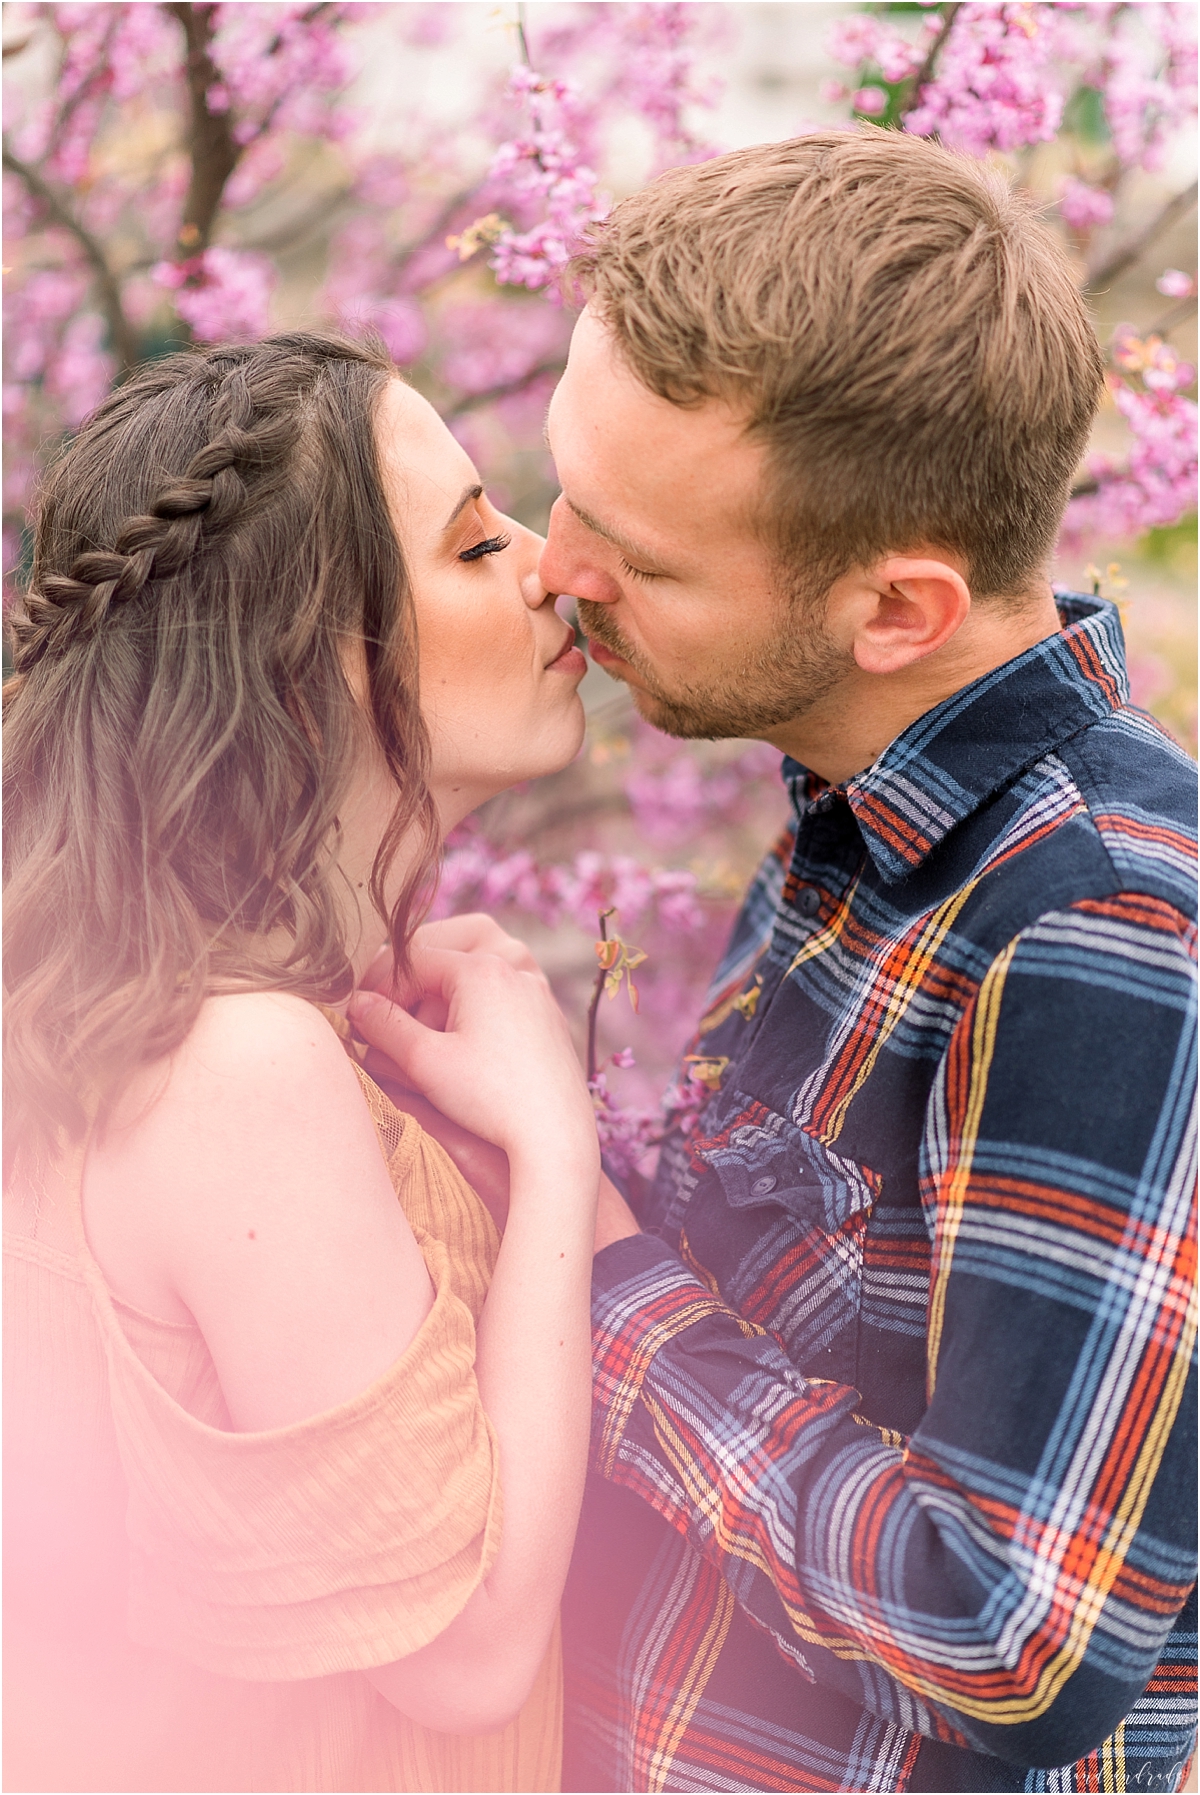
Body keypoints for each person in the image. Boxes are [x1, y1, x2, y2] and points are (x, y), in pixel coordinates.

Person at [359, 130, 1198, 1793]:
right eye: (566, 492)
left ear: (899, 610)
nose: (555, 571)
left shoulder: (1103, 933)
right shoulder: (862, 816)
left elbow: (1012, 1640)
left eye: (642, 558)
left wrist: (591, 1253)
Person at [3, 331, 601, 1793]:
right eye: (472, 547)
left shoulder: (190, 1012)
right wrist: (556, 1155)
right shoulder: (234, 1061)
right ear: (323, 665)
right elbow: (461, 1658)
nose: (549, 567)